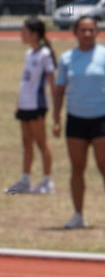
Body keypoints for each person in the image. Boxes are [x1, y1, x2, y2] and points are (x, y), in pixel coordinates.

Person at [50, 16, 105, 229]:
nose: (87, 34)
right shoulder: (67, 58)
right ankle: (78, 215)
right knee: (77, 168)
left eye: (91, 30)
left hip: (101, 119)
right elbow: (59, 91)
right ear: (75, 33)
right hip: (76, 120)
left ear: (97, 32)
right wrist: (56, 119)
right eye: (83, 30)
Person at [9, 17, 55, 195]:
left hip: (37, 104)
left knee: (41, 142)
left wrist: (56, 107)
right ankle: (25, 180)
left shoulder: (45, 54)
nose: (21, 34)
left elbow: (51, 81)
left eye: (24, 31)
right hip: (25, 105)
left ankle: (47, 181)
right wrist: (19, 103)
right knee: (26, 143)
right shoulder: (29, 54)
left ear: (35, 34)